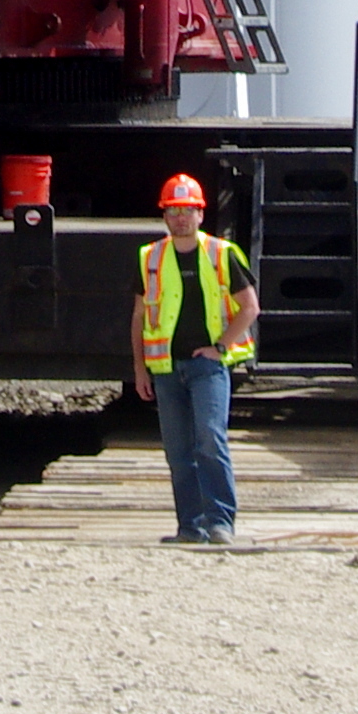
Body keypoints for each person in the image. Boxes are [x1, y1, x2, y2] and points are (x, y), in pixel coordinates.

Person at [132, 172, 259, 546]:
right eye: (174, 211)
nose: (181, 218)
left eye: (188, 211)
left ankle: (220, 523)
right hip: (166, 369)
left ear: (201, 215)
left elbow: (249, 307)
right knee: (177, 452)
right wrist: (139, 367)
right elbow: (139, 315)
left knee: (209, 440)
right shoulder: (150, 257)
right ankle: (190, 527)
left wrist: (220, 347)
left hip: (208, 368)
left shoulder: (221, 254)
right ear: (165, 217)